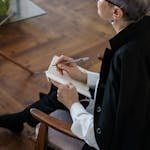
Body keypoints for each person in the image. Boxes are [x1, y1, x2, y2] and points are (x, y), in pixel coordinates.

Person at [0, 0, 150, 149]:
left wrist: (73, 104)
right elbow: (123, 87)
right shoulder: (141, 35)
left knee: (63, 94)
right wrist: (83, 76)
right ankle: (20, 119)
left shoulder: (125, 57)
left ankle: (22, 119)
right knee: (62, 89)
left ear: (116, 12)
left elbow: (100, 138)